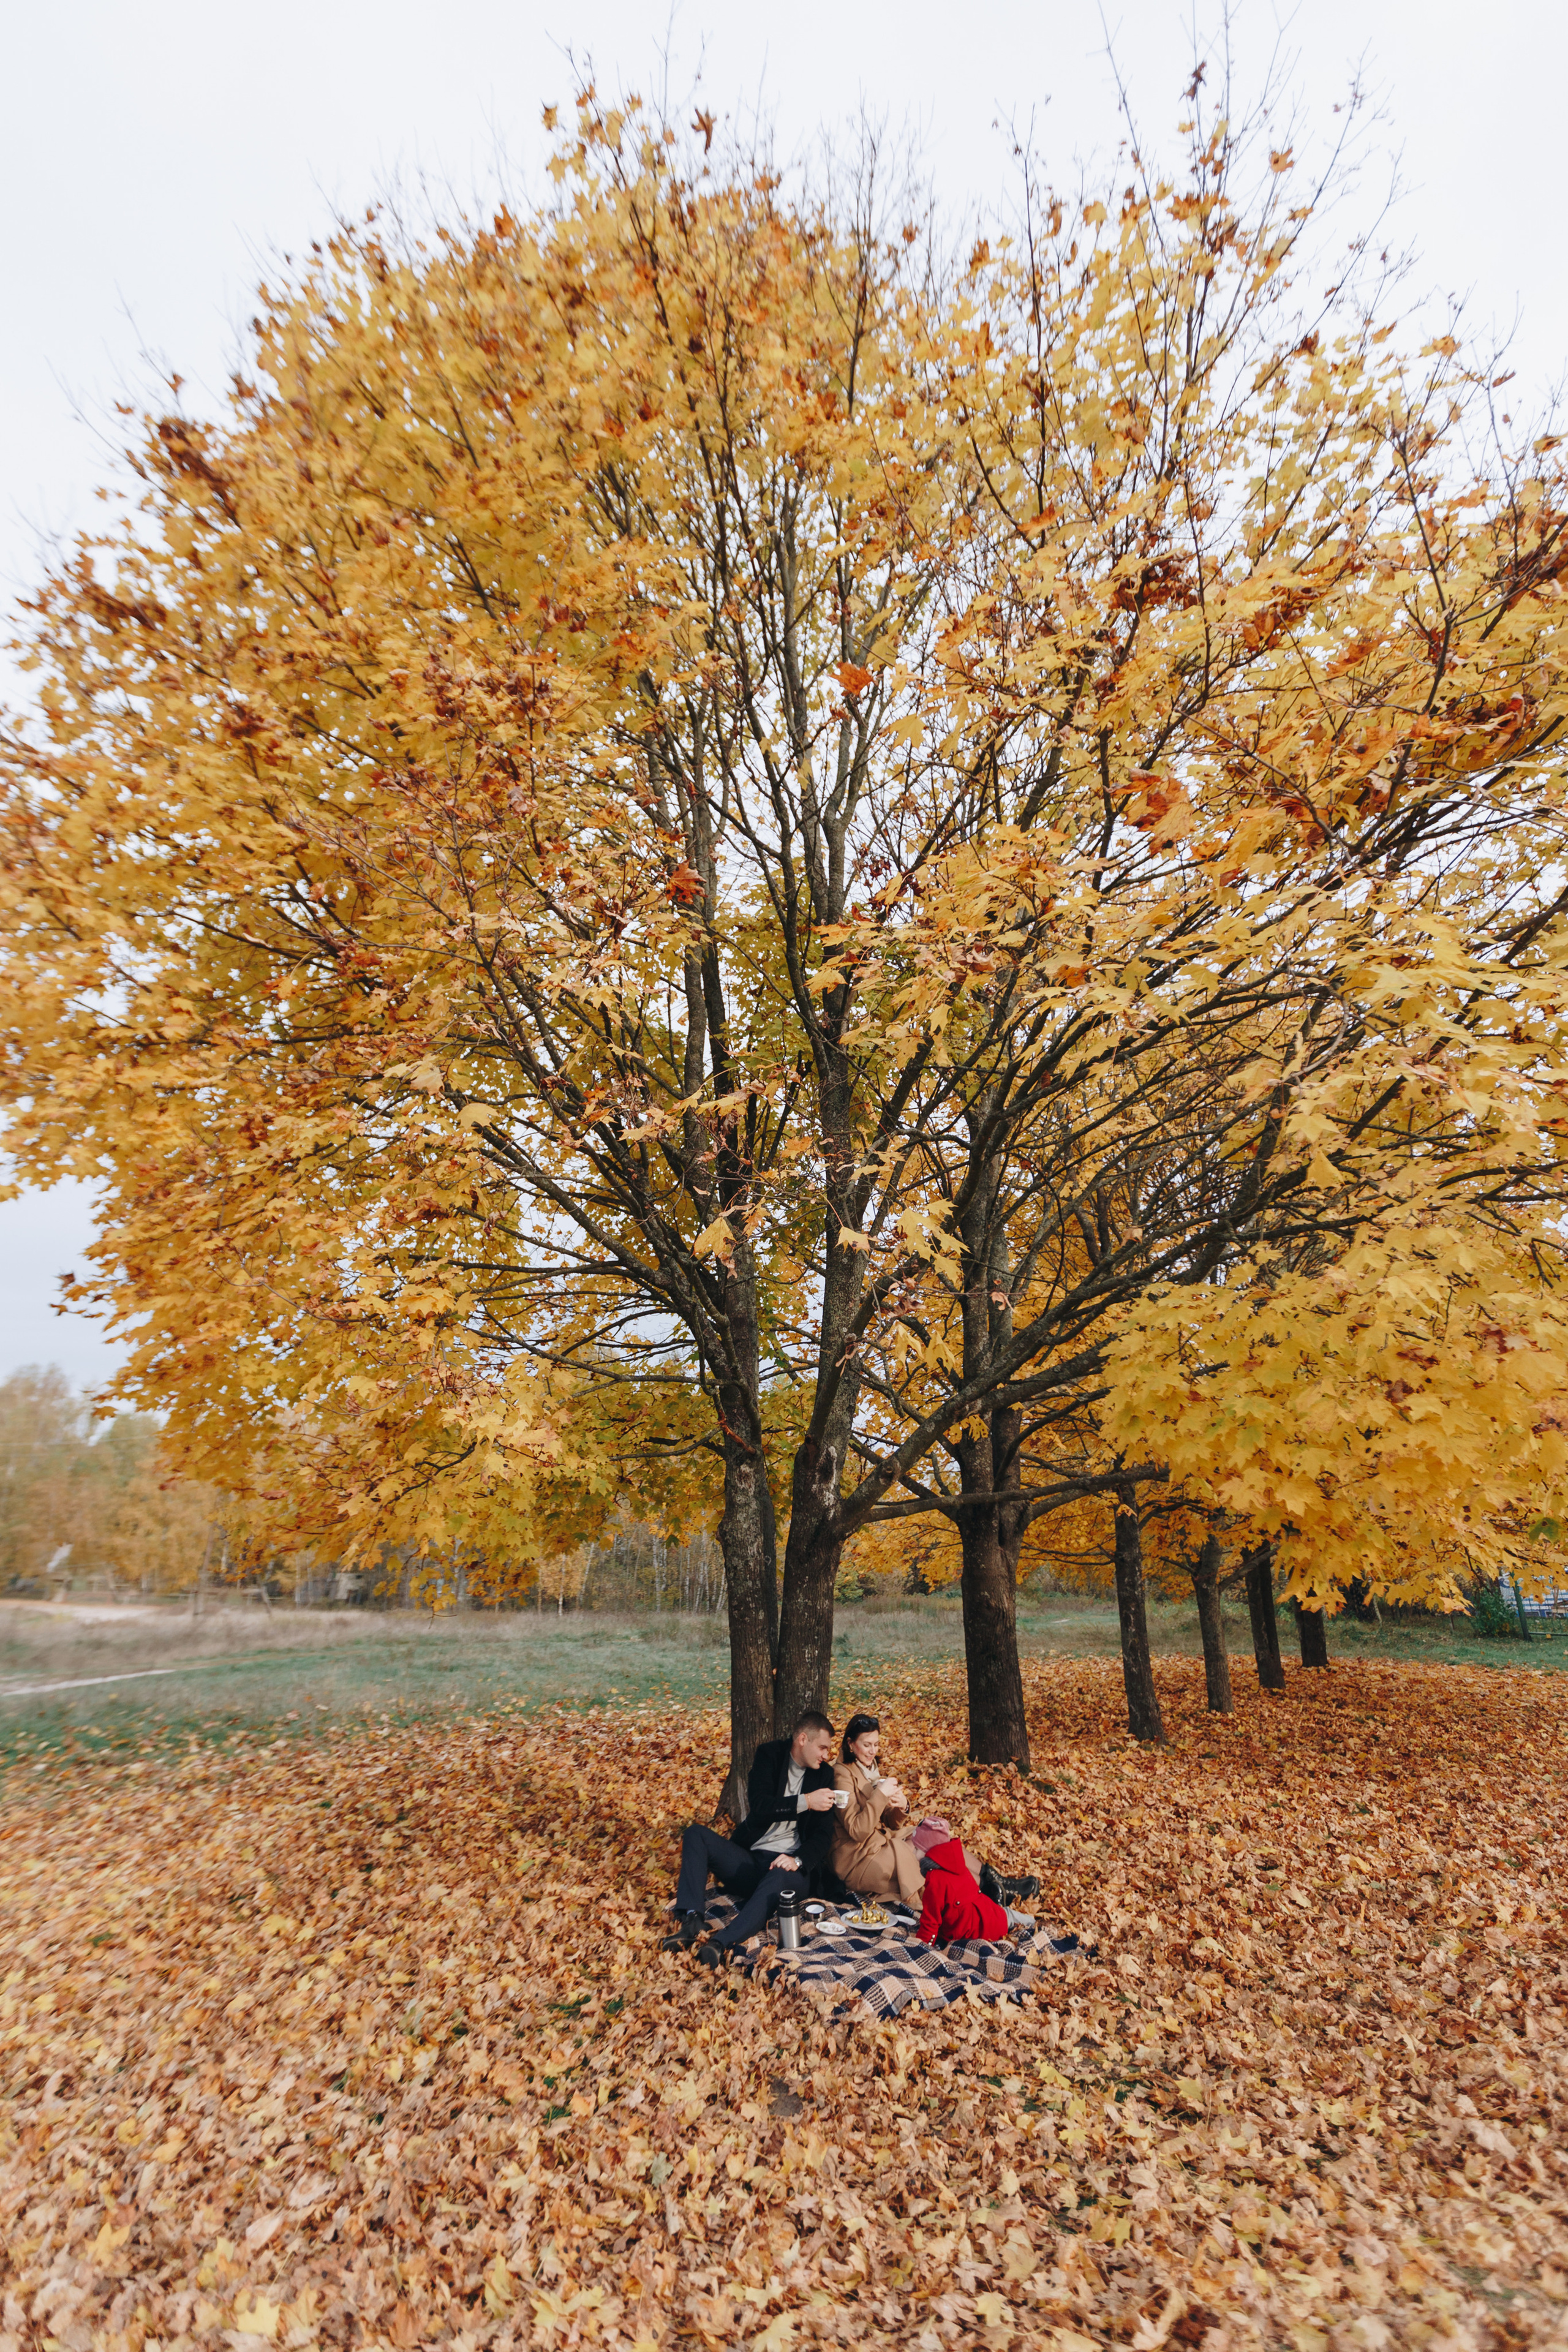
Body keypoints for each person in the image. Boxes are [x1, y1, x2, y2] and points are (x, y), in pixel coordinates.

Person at [664, 1711, 839, 1966]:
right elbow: (760, 1806)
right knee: (695, 1834)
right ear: (803, 1739)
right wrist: (806, 1802)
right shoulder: (770, 1756)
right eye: (822, 1747)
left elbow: (823, 1836)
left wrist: (798, 1860)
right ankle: (691, 1921)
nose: (826, 1755)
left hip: (790, 1869)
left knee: (779, 1875)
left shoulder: (824, 1775)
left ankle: (720, 1943)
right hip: (752, 1860)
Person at [833, 1713, 1042, 1913]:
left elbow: (890, 1822)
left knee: (933, 1834)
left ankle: (995, 1882)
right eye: (867, 1745)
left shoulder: (868, 1767)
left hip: (878, 1844)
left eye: (876, 1745)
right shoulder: (841, 1775)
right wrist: (880, 1795)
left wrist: (902, 1806)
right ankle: (988, 1889)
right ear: (851, 1744)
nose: (872, 1751)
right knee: (923, 1846)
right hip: (858, 1859)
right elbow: (857, 1830)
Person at [916, 1833, 1036, 1947]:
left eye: (916, 1849)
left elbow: (930, 1923)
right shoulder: (955, 1866)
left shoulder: (935, 1880)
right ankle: (1034, 1923)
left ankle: (1034, 1924)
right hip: (989, 1916)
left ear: (926, 1851)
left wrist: (922, 1946)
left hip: (981, 1930)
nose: (913, 1852)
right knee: (1007, 1916)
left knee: (1006, 1916)